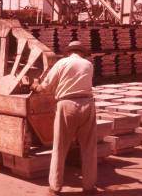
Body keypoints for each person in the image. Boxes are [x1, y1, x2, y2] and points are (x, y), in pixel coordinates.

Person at [31, 41, 97, 195]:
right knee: (88, 148)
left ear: (69, 52)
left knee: (60, 147)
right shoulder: (88, 64)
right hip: (88, 104)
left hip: (67, 105)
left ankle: (55, 187)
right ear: (82, 52)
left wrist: (35, 84)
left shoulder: (62, 63)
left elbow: (44, 88)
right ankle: (89, 187)